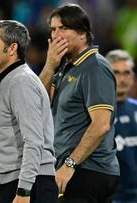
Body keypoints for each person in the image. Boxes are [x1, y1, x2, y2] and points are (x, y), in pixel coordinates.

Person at [39, 4, 119, 202]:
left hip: (87, 171)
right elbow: (37, 104)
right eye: (53, 29)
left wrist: (69, 165)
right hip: (72, 170)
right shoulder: (64, 67)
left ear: (83, 34)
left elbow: (101, 125)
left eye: (63, 28)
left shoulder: (95, 67)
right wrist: (49, 65)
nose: (56, 35)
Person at [0, 20, 58, 203]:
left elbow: (33, 141)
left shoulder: (20, 82)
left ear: (12, 48)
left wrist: (24, 191)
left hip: (29, 184)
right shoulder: (13, 79)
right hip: (24, 180)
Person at [105, 49, 137, 203]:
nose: (122, 79)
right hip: (110, 196)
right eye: (116, 73)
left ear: (133, 77)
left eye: (127, 73)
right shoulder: (95, 113)